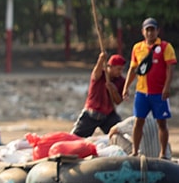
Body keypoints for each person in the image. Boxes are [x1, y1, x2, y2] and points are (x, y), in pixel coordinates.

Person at [122, 17, 177, 158]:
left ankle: (163, 153)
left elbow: (171, 68)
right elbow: (133, 69)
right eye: (147, 30)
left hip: (159, 93)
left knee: (162, 123)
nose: (150, 33)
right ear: (143, 32)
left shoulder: (165, 47)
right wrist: (126, 86)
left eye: (153, 30)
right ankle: (135, 151)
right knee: (138, 121)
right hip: (142, 92)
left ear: (158, 31)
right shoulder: (137, 48)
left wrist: (166, 87)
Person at [70, 52, 126, 137]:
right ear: (110, 67)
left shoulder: (121, 80)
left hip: (108, 114)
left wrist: (113, 90)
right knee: (75, 137)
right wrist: (101, 60)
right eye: (118, 69)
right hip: (92, 112)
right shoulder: (101, 74)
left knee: (119, 134)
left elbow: (118, 101)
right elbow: (95, 75)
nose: (120, 72)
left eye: (122, 69)